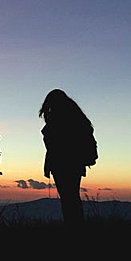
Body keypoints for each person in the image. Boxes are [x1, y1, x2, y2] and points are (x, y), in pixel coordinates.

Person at [38, 89, 98, 227]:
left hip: (62, 164)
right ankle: (75, 225)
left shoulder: (57, 119)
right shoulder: (75, 117)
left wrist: (49, 165)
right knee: (72, 197)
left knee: (68, 198)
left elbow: (54, 146)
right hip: (75, 163)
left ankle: (73, 226)